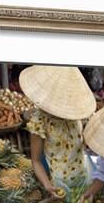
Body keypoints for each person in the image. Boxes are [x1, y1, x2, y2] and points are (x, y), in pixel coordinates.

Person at [20, 65, 96, 196]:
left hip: (82, 175)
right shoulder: (40, 120)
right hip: (59, 184)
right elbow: (36, 160)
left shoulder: (76, 112)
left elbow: (82, 142)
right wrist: (47, 184)